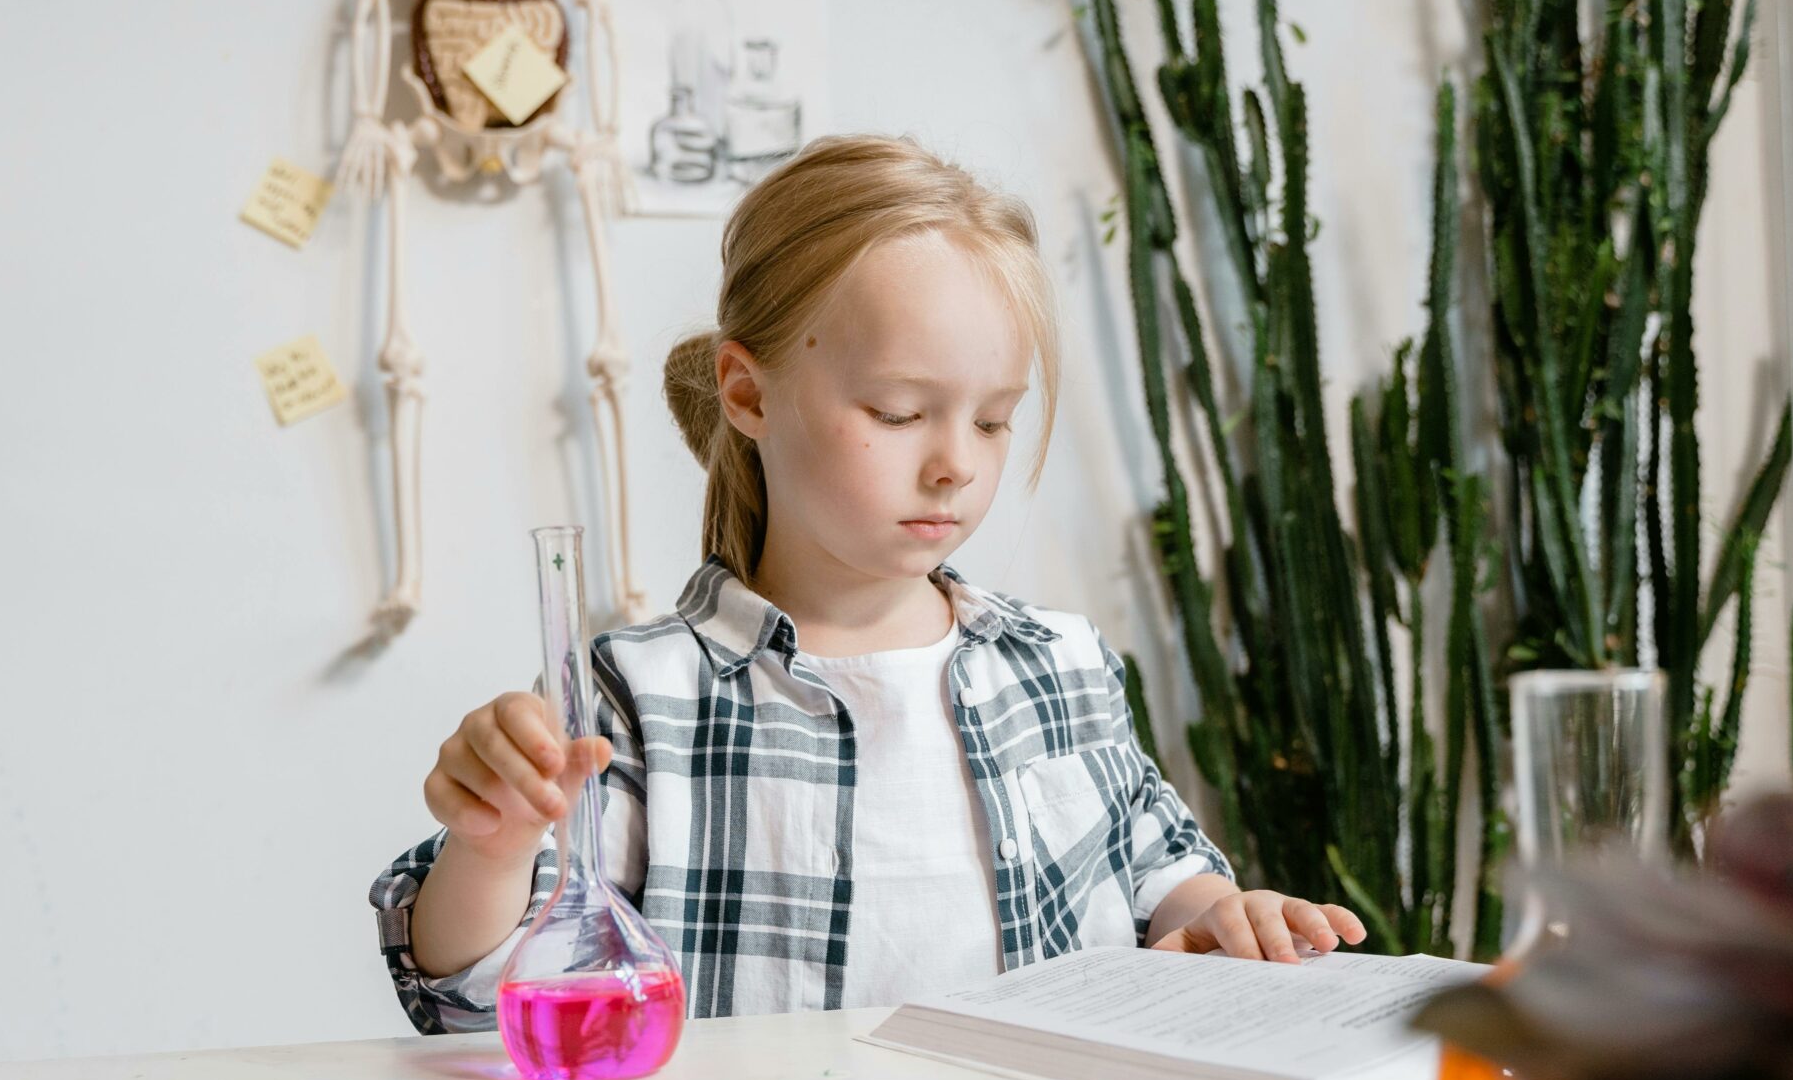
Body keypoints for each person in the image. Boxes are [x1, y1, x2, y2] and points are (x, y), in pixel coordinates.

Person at [368, 134, 1363, 1033]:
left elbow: (1161, 879)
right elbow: (476, 998)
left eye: (991, 419)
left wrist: (1221, 917)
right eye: (896, 412)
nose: (954, 466)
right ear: (748, 395)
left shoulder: (1062, 666)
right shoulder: (633, 703)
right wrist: (492, 847)